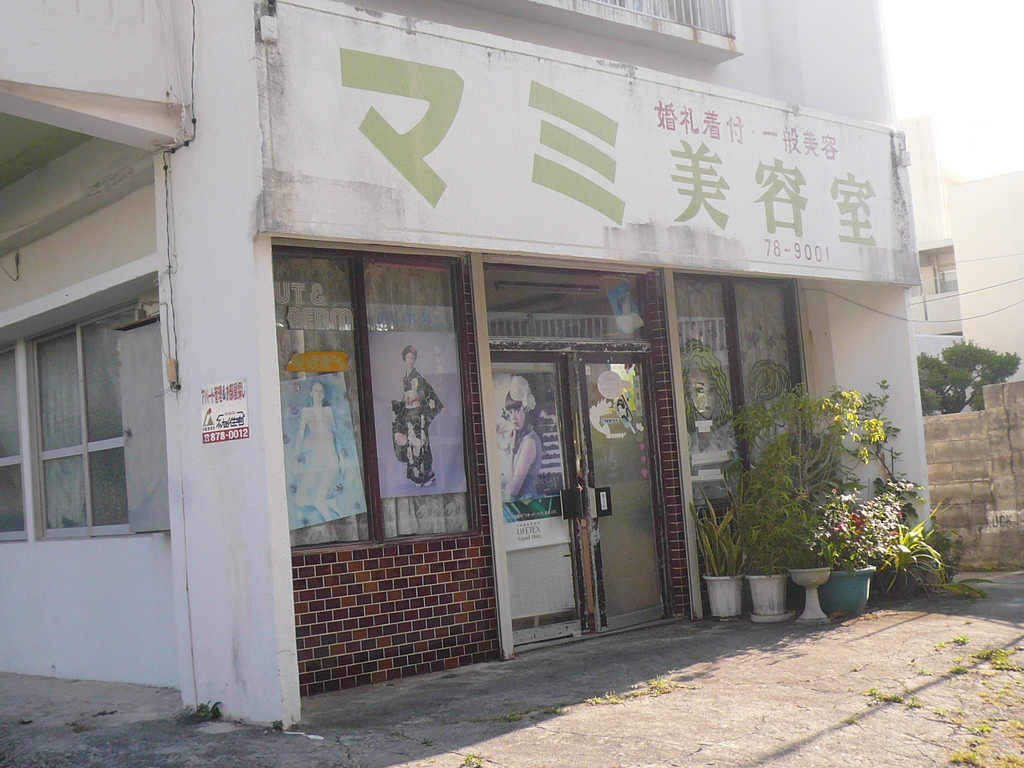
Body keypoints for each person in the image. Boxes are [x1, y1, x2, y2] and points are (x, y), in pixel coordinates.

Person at [391, 345, 443, 487]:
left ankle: (427, 475)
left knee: (421, 444)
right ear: (404, 359)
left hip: (418, 416)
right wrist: (400, 405)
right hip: (409, 416)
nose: (410, 361)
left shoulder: (416, 376)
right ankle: (417, 476)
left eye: (412, 358)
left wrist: (434, 406)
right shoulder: (406, 377)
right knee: (411, 445)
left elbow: (428, 391)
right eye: (408, 358)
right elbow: (405, 396)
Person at [294, 380, 344, 522]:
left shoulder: (328, 411)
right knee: (300, 500)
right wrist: (296, 458)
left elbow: (335, 432)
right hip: (315, 454)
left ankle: (330, 515)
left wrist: (340, 455)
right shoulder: (306, 412)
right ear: (311, 393)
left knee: (319, 497)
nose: (318, 393)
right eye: (316, 391)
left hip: (329, 452)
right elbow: (300, 435)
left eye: (321, 391)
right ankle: (328, 503)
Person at [504, 375, 543, 501]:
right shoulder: (522, 440)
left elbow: (513, 490)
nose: (513, 417)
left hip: (528, 505)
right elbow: (511, 480)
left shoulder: (529, 442)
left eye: (517, 410)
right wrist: (512, 447)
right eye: (510, 412)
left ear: (527, 410)